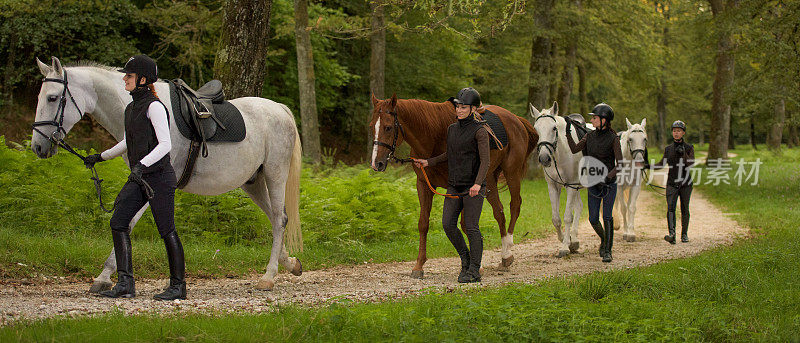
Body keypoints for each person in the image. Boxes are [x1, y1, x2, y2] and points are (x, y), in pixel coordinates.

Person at [83, 55, 186, 300]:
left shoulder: (155, 106)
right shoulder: (131, 108)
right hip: (141, 177)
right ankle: (125, 284)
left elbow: (165, 144)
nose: (124, 79)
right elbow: (129, 141)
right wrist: (100, 157)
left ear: (142, 79)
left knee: (166, 230)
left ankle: (178, 286)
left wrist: (141, 164)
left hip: (159, 177)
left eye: (128, 75)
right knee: (118, 221)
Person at [413, 87, 490, 283]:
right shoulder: (452, 129)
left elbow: (485, 161)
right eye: (458, 107)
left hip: (473, 187)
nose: (459, 110)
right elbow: (449, 154)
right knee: (448, 224)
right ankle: (465, 259)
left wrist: (477, 184)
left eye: (464, 107)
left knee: (471, 227)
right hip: (454, 186)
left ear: (473, 109)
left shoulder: (480, 132)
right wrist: (428, 162)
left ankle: (474, 270)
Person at [566, 103, 623, 262]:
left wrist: (607, 177)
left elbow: (620, 164)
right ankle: (604, 239)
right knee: (592, 218)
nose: (592, 120)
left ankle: (608, 251)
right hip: (593, 182)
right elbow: (574, 149)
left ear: (604, 119)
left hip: (609, 183)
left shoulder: (614, 138)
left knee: (606, 216)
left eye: (594, 118)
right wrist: (567, 132)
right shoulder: (589, 136)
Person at [649, 120, 695, 244]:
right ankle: (672, 234)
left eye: (679, 131)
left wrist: (683, 153)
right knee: (670, 208)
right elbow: (661, 164)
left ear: (683, 133)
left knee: (685, 208)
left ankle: (684, 234)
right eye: (674, 131)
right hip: (672, 183)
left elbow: (691, 163)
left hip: (686, 184)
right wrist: (647, 166)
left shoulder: (689, 147)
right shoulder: (668, 149)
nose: (676, 133)